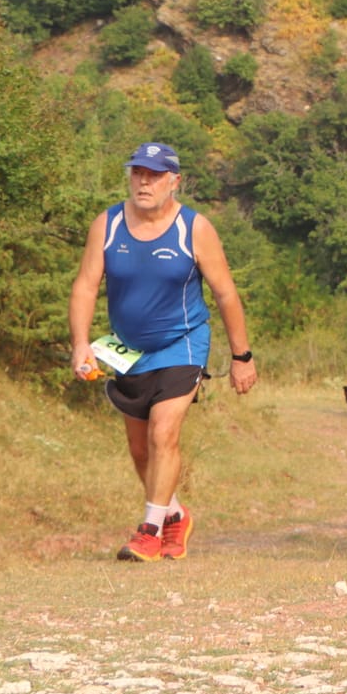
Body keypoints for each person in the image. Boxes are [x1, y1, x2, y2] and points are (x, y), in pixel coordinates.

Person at [69, 142, 257, 562]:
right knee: (140, 451)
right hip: (128, 351)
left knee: (163, 433)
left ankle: (149, 532)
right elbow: (85, 284)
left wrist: (241, 358)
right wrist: (81, 344)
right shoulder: (109, 223)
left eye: (154, 175)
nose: (143, 181)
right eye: (137, 172)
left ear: (175, 181)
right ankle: (173, 515)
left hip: (182, 343)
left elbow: (226, 294)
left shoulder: (195, 228)